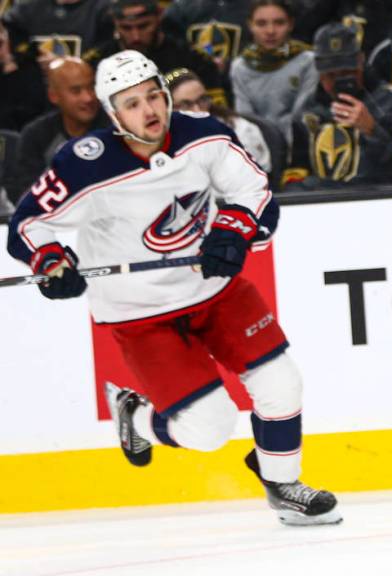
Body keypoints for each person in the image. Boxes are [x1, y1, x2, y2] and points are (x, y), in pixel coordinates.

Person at [5, 50, 341, 526]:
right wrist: (51, 259)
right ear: (113, 113)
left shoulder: (202, 133)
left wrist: (232, 230)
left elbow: (253, 190)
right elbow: (28, 224)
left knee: (282, 383)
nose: (149, 111)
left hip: (215, 290)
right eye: (132, 103)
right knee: (208, 429)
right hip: (138, 312)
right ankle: (135, 417)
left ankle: (283, 483)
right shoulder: (86, 165)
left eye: (153, 96)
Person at [283, 22, 392, 189]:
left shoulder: (389, 102)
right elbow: (296, 173)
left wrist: (372, 130)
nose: (339, 81)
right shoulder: (306, 111)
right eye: (331, 75)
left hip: (375, 198)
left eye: (347, 72)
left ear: (361, 60)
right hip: (320, 203)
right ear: (318, 70)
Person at [84, 0, 229, 106]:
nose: (135, 36)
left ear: (159, 16)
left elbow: (216, 110)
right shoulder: (96, 62)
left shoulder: (194, 59)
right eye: (126, 28)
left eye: (143, 26)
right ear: (115, 23)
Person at [3, 56, 107, 202]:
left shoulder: (117, 128)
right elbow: (24, 195)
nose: (88, 98)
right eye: (76, 91)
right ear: (54, 96)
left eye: (91, 87)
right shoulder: (35, 135)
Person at [230, 0, 317, 143]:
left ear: (291, 24)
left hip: (299, 146)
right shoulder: (239, 67)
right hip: (257, 148)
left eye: (279, 23)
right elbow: (245, 120)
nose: (270, 31)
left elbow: (301, 117)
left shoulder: (308, 61)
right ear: (250, 25)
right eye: (261, 23)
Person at [165, 67, 272, 173]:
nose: (197, 110)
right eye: (185, 105)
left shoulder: (240, 129)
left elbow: (257, 175)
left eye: (202, 100)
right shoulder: (162, 140)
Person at [1, 0, 113, 61]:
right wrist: (29, 54)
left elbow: (107, 45)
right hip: (35, 83)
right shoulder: (26, 9)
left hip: (85, 80)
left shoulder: (102, 8)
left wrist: (80, 62)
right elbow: (9, 32)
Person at [162, 0, 253, 72]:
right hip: (194, 77)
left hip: (240, 78)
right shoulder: (180, 8)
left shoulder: (252, 6)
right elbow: (169, 42)